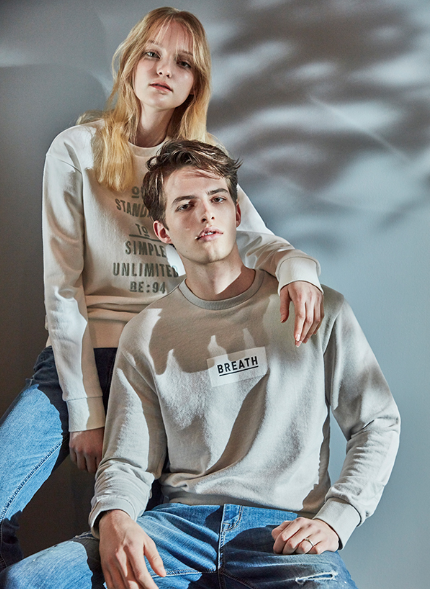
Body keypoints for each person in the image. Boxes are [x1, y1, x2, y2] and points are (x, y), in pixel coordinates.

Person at [0, 7, 324, 571]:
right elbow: (62, 288)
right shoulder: (76, 149)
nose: (163, 69)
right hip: (81, 358)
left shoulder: (199, 160)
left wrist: (300, 269)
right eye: (151, 53)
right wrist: (87, 410)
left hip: (167, 366)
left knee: (141, 546)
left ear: (195, 83)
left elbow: (257, 240)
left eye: (183, 63)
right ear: (130, 62)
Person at [0, 140, 400, 589]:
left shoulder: (316, 308)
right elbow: (129, 460)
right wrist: (114, 518)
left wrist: (338, 517)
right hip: (176, 531)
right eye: (185, 205)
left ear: (237, 213)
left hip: (281, 535)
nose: (206, 214)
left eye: (217, 199)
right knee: (27, 581)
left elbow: (377, 423)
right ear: (163, 231)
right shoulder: (145, 332)